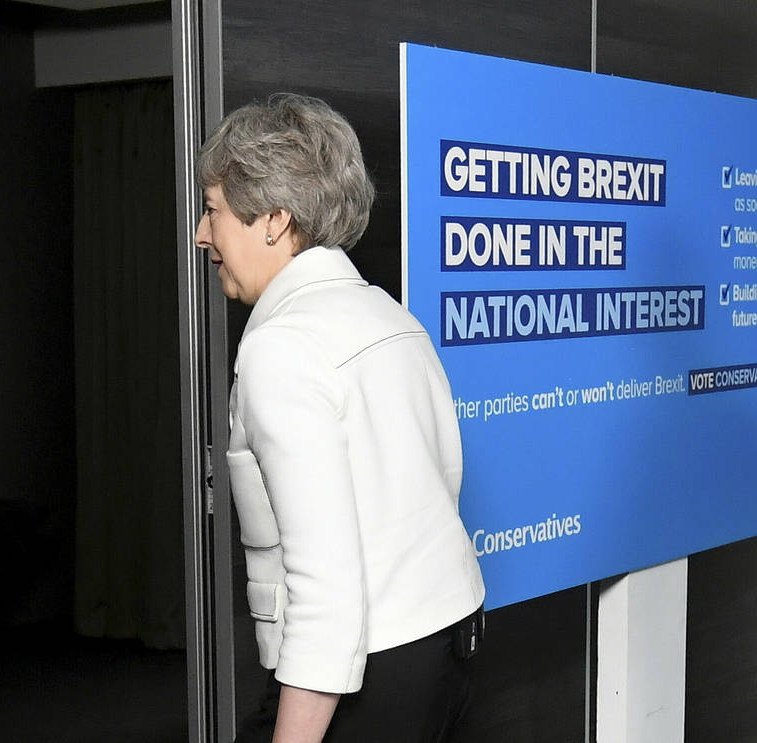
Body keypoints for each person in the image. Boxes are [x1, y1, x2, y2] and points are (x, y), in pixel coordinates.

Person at [193, 93, 486, 743]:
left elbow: (325, 586)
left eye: (212, 210)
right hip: (447, 646)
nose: (201, 234)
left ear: (272, 218)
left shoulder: (281, 346)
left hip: (369, 674)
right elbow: (444, 480)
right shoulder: (390, 314)